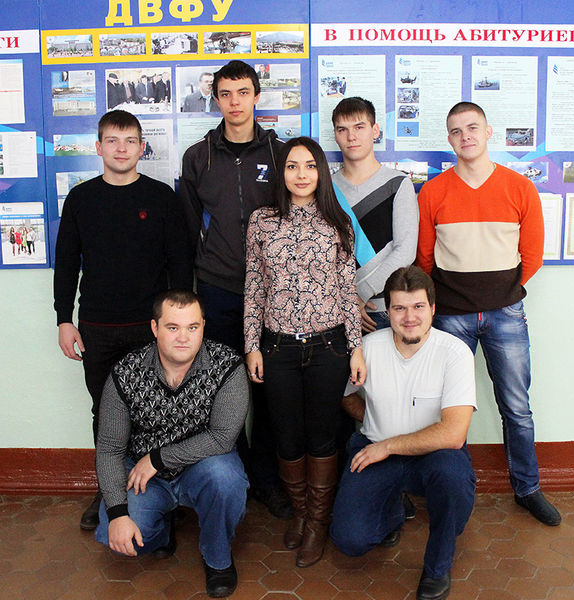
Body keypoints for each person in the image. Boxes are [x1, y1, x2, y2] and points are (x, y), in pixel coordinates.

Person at [417, 101, 561, 526]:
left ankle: (528, 488)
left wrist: (503, 293)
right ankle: (452, 490)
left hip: (505, 314)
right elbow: (425, 257)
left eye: (472, 127)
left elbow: (532, 255)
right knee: (447, 406)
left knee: (516, 406)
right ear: (449, 139)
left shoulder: (519, 187)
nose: (466, 136)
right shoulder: (434, 192)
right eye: (456, 131)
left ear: (488, 131)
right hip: (450, 316)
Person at [54, 110, 192, 531]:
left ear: (141, 147)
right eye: (112, 140)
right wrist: (64, 319)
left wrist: (176, 323)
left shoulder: (161, 197)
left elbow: (180, 263)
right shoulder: (80, 199)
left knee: (158, 410)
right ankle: (109, 487)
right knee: (106, 412)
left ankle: (159, 488)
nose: (121, 148)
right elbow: (66, 263)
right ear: (98, 147)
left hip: (150, 328)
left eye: (130, 140)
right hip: (97, 327)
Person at [244, 136, 366, 568]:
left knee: (322, 435)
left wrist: (356, 349)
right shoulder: (261, 221)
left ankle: (317, 521)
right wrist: (251, 345)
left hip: (328, 346)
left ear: (321, 172)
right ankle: (300, 512)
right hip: (277, 347)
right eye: (292, 166)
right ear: (281, 173)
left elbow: (348, 290)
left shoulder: (338, 222)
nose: (301, 174)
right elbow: (254, 286)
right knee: (286, 435)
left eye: (310, 166)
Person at [180, 60, 291, 520]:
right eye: (225, 94)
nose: (234, 102)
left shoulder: (281, 154)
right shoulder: (199, 156)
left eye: (243, 92)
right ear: (216, 99)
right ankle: (237, 472)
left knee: (268, 389)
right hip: (218, 289)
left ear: (256, 96)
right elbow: (187, 229)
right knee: (224, 387)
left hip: (272, 294)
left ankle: (266, 479)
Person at [331, 266, 477, 600]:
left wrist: (389, 445)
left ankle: (437, 568)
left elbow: (454, 434)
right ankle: (393, 510)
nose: (409, 317)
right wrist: (375, 425)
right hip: (375, 449)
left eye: (418, 307)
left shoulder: (455, 352)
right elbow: (346, 396)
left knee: (452, 484)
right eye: (399, 308)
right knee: (350, 540)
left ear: (433, 308)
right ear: (388, 310)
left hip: (434, 457)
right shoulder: (367, 347)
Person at [95, 290, 247, 598]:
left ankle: (217, 556)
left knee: (227, 480)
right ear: (155, 328)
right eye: (173, 327)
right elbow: (110, 449)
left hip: (202, 466)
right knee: (119, 534)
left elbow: (222, 437)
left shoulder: (227, 366)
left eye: (192, 327)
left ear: (203, 327)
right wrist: (118, 514)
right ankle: (162, 530)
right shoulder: (126, 372)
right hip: (144, 477)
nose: (183, 337)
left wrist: (159, 458)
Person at [332, 97, 418, 333]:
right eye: (342, 129)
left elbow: (406, 250)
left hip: (387, 309)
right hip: (338, 310)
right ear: (336, 135)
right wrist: (347, 301)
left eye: (359, 127)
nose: (351, 137)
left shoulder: (398, 183)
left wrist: (361, 293)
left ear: (375, 131)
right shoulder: (326, 188)